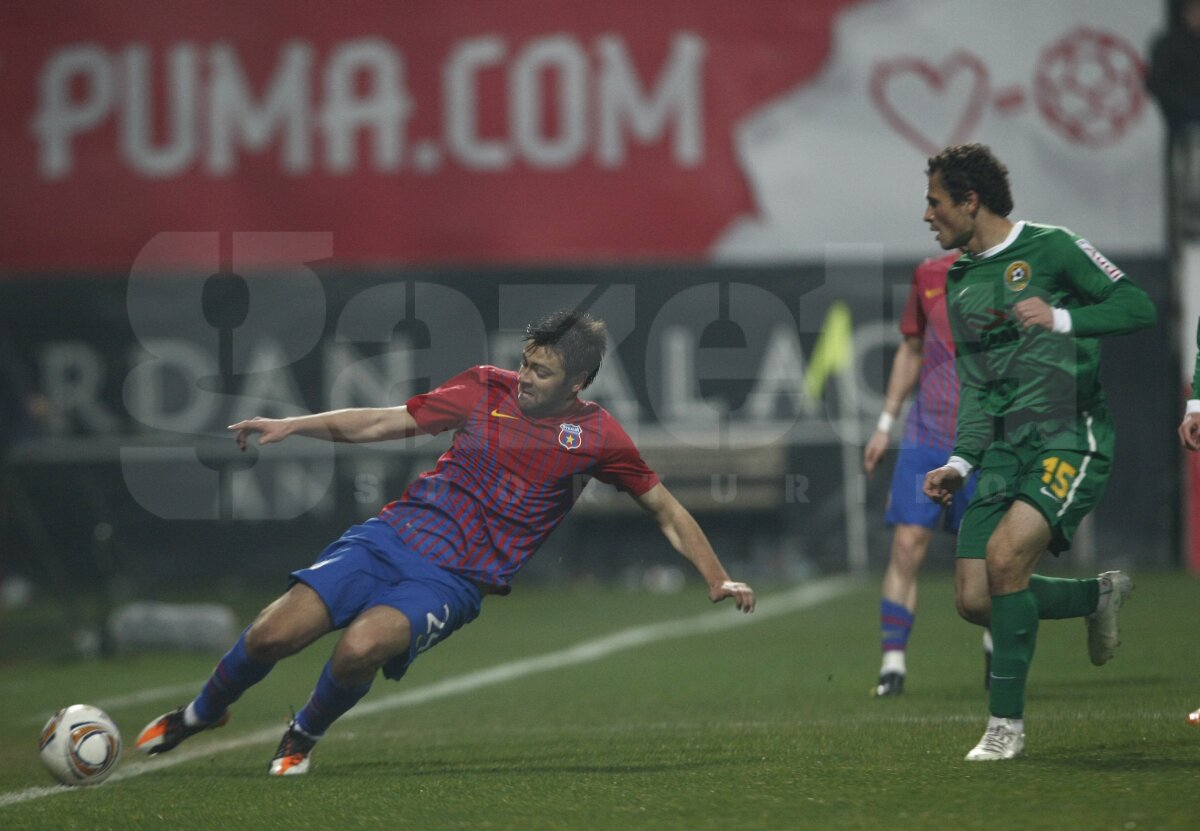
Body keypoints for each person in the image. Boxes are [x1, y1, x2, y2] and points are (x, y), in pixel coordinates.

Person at [136, 309, 755, 775]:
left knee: (360, 647)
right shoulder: (485, 389)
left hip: (453, 580)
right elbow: (383, 420)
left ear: (579, 382)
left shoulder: (598, 438)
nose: (525, 378)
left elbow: (666, 510)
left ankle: (302, 735)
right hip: (389, 538)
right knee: (273, 633)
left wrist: (715, 575)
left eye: (542, 371)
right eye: (525, 362)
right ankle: (200, 713)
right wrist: (294, 424)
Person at [920, 144, 1156, 761]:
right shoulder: (960, 278)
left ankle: (1005, 728)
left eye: (935, 202)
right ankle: (1096, 596)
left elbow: (1137, 306)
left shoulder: (1053, 247)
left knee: (1004, 562)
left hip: (1066, 434)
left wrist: (1062, 319)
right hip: (999, 452)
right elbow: (978, 386)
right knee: (975, 599)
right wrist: (960, 463)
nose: (927, 215)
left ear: (970, 202)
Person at [864, 251, 982, 697]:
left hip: (983, 435)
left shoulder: (1011, 267)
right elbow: (912, 348)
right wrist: (883, 425)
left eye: (936, 202)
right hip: (926, 433)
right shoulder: (928, 272)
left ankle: (995, 644)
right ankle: (892, 665)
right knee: (906, 546)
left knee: (986, 563)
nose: (929, 215)